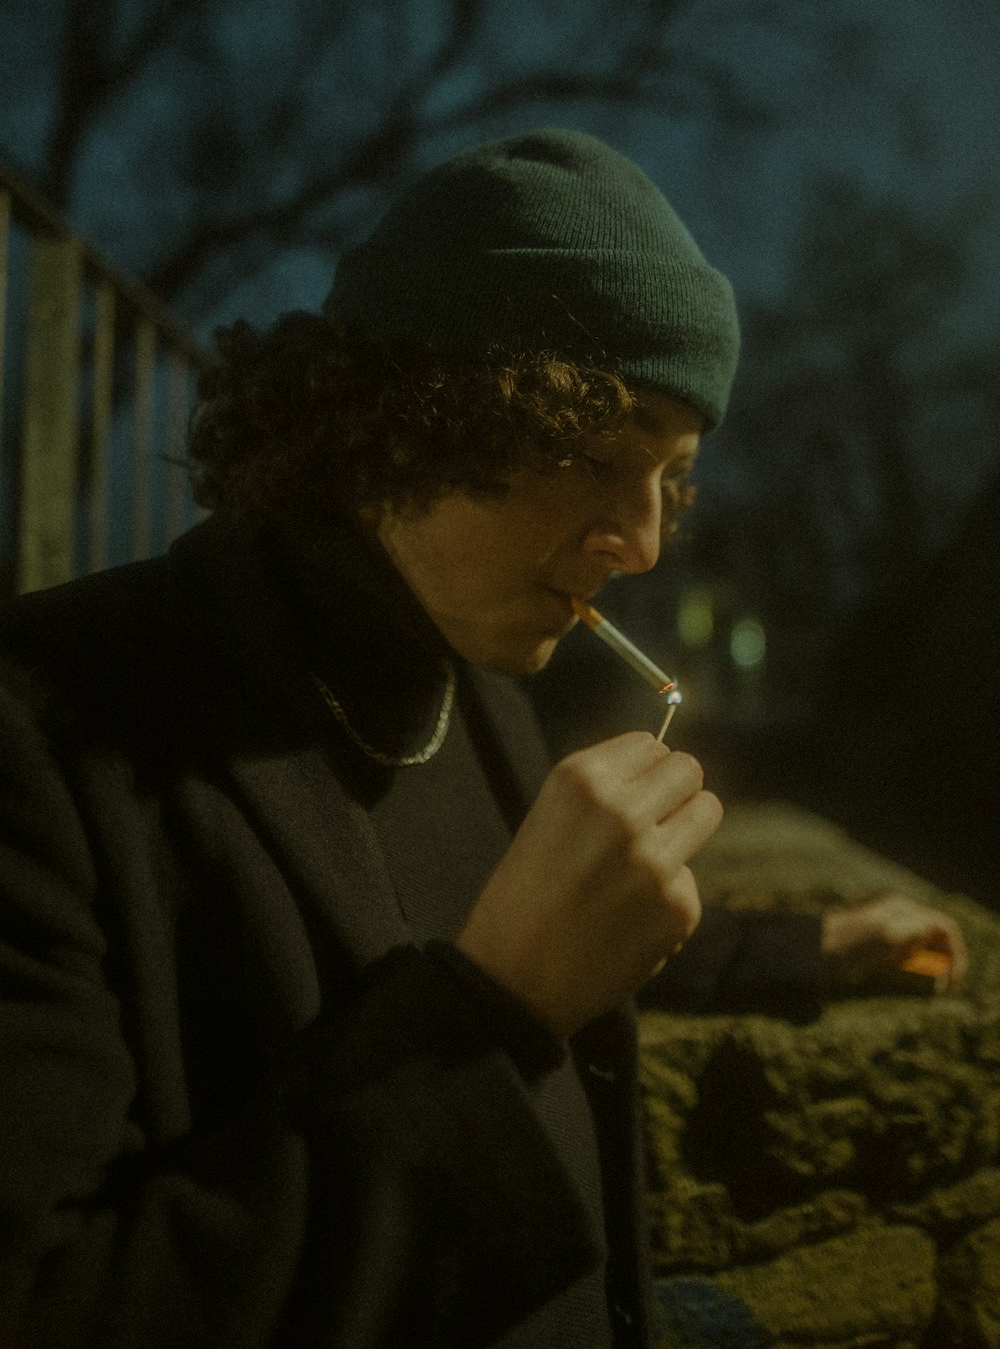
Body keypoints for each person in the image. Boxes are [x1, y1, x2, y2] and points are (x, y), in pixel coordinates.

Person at [0, 129, 966, 1348]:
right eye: (597, 456)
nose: (643, 540)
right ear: (403, 419)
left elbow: (547, 912)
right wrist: (492, 1014)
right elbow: (56, 1305)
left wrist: (809, 950)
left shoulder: (475, 686)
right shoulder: (46, 732)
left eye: (669, 476)